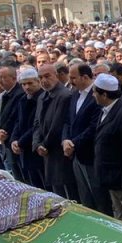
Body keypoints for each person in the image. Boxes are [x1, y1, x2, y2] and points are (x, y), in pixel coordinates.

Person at [90, 73, 122, 219]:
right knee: (119, 215)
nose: (93, 95)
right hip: (109, 177)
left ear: (104, 94)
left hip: (119, 180)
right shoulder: (106, 109)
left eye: (95, 92)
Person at [63, 63, 106, 213]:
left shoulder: (97, 96)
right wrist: (65, 140)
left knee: (98, 197)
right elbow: (68, 121)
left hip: (90, 155)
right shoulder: (74, 94)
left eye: (73, 78)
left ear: (85, 77)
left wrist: (73, 143)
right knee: (85, 197)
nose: (70, 81)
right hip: (76, 154)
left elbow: (93, 127)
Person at [32, 63, 76, 199]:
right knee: (56, 193)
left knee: (67, 193)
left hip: (58, 151)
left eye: (47, 76)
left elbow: (58, 125)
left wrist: (44, 144)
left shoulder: (64, 96)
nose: (44, 81)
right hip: (47, 152)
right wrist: (37, 144)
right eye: (40, 78)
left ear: (56, 76)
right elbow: (37, 123)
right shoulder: (42, 97)